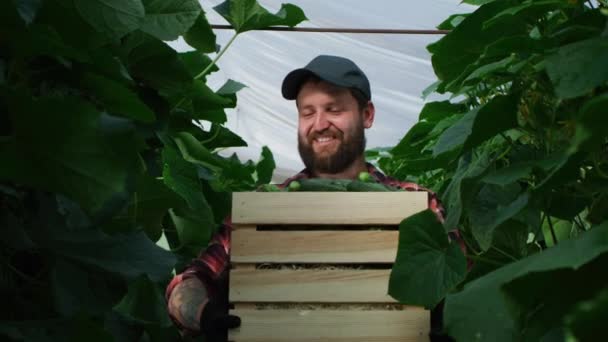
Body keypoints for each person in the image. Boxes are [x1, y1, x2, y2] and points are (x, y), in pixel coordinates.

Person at [165, 55, 461, 341]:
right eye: (307, 112)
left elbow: (459, 280)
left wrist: (443, 317)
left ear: (367, 115)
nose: (319, 124)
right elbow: (191, 281)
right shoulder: (265, 210)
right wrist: (203, 312)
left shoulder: (416, 204)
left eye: (333, 109)